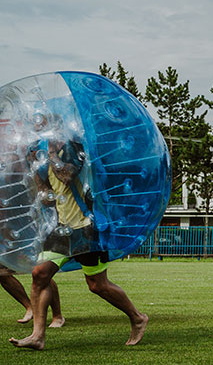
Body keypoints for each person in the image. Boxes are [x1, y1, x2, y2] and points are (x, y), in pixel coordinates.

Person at [10, 138, 146, 350]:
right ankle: (37, 336)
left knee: (97, 285)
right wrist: (35, 170)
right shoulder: (44, 161)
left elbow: (67, 176)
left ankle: (137, 318)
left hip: (86, 227)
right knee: (40, 274)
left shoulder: (74, 149)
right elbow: (47, 198)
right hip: (61, 228)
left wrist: (54, 155)